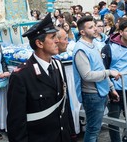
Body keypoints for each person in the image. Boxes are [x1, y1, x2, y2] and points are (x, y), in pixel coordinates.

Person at [7, 13, 76, 142]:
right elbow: (16, 123)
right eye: (53, 37)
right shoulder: (21, 76)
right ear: (39, 43)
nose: (58, 41)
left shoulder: (58, 65)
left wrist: (71, 134)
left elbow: (65, 107)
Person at [72, 16, 120, 142]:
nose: (95, 29)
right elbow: (87, 75)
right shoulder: (80, 49)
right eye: (91, 27)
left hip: (101, 92)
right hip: (92, 95)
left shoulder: (93, 45)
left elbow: (100, 67)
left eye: (95, 26)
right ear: (82, 32)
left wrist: (111, 88)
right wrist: (109, 72)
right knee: (93, 130)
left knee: (95, 129)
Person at [101, 20, 127, 142]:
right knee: (114, 121)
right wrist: (110, 89)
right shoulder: (109, 47)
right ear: (120, 32)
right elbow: (104, 70)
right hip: (115, 91)